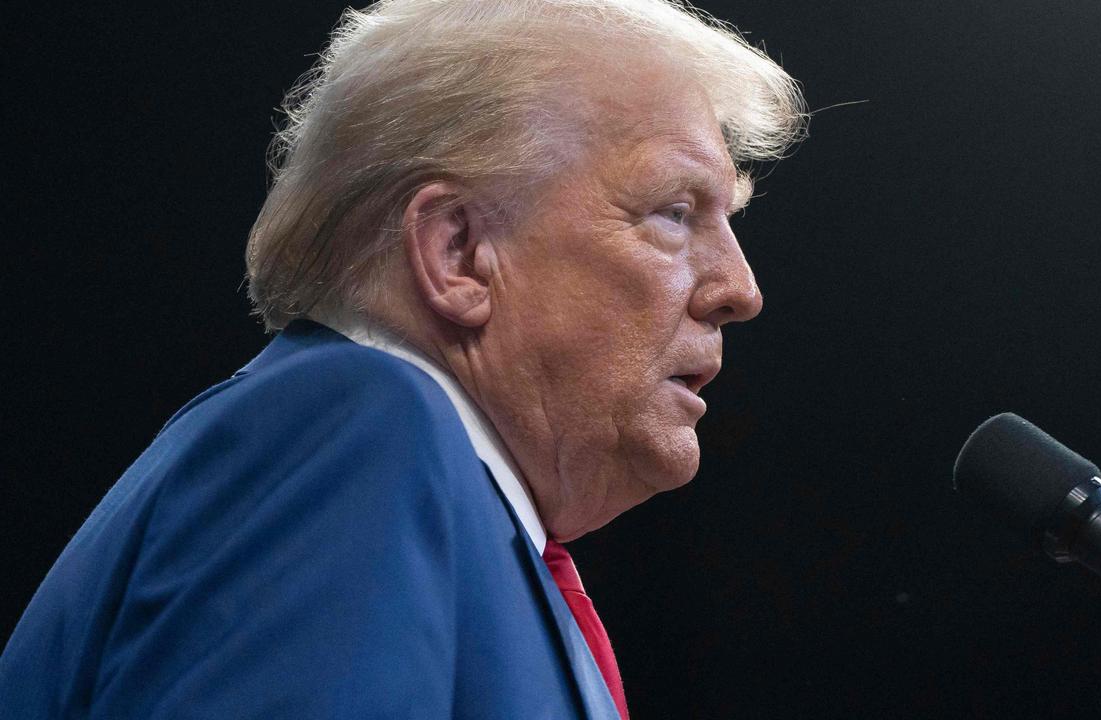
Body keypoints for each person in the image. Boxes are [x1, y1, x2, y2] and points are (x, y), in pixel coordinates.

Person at [0, 1, 805, 717]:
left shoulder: (459, 515)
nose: (740, 287)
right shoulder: (353, 429)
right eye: (673, 212)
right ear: (458, 252)